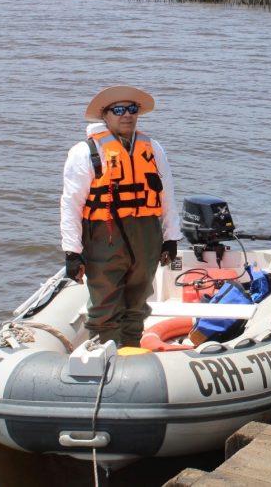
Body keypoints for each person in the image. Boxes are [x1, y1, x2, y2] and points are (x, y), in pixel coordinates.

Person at [60, 85, 183, 347]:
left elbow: (168, 194)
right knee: (104, 305)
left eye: (132, 109)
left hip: (147, 232)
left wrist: (171, 237)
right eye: (118, 110)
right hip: (104, 234)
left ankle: (130, 352)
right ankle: (105, 360)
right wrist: (72, 252)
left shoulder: (153, 149)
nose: (127, 115)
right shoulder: (85, 152)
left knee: (138, 302)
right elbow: (71, 205)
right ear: (105, 115)